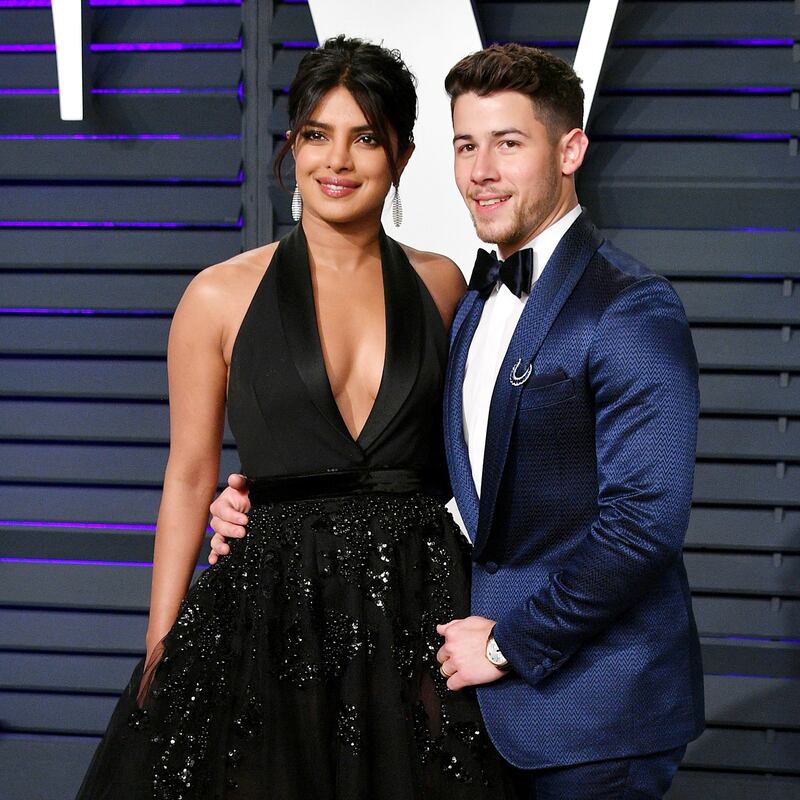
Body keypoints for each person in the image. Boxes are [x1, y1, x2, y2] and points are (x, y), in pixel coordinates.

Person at [209, 44, 705, 799]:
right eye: (467, 145)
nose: (482, 171)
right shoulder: (468, 303)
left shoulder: (629, 307)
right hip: (480, 708)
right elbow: (434, 474)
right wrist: (256, 500)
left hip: (598, 714)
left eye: (509, 143)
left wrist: (508, 643)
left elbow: (644, 525)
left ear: (570, 150)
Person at [76, 37, 515, 800]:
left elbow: (469, 454)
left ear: (403, 155)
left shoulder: (443, 285)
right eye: (316, 134)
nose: (337, 160)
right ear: (292, 147)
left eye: (365, 137)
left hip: (414, 600)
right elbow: (187, 477)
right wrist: (160, 647)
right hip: (270, 610)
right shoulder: (218, 296)